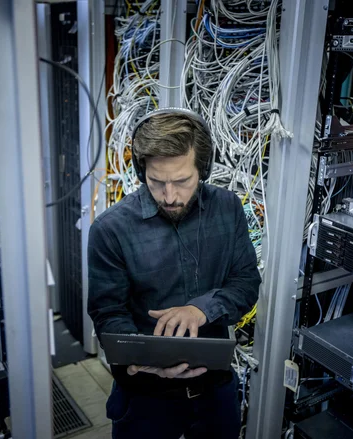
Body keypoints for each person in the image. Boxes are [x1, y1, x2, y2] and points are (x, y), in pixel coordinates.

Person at [87, 108, 261, 439]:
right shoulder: (110, 230)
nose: (169, 196)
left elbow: (246, 283)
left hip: (215, 392)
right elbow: (108, 313)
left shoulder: (227, 208)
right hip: (145, 400)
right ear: (141, 172)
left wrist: (201, 309)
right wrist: (143, 356)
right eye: (157, 182)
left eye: (182, 181)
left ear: (203, 169)